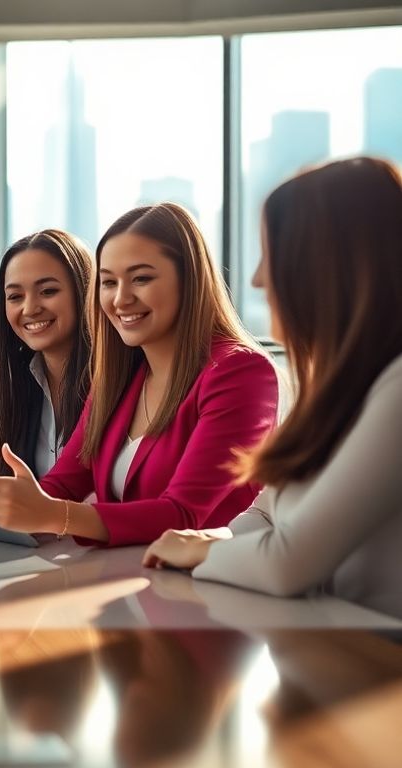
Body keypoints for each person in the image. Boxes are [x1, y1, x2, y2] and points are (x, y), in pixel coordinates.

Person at [143, 157, 402, 618]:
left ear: (325, 267)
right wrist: (210, 539)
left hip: (375, 660)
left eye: (273, 254)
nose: (258, 279)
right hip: (327, 638)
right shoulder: (334, 383)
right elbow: (266, 512)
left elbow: (288, 563)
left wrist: (202, 554)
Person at [0, 203, 278, 546]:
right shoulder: (120, 377)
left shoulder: (240, 372)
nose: (120, 299)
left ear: (189, 279)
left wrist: (54, 515)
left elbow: (182, 516)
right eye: (108, 282)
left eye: (141, 278)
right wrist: (7, 505)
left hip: (206, 586)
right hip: (122, 580)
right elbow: (63, 485)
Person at [0, 230, 94, 477]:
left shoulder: (114, 380)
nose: (29, 308)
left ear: (84, 290)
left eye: (48, 291)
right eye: (15, 296)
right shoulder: (16, 381)